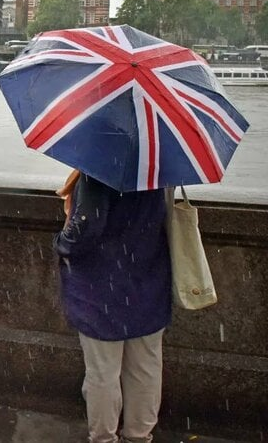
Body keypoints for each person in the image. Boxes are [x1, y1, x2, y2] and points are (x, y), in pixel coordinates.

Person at [55, 171, 171, 443]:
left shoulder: (98, 169)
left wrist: (61, 243)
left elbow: (85, 229)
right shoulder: (158, 165)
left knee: (102, 373)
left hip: (101, 288)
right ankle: (139, 437)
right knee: (146, 369)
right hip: (149, 277)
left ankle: (104, 438)